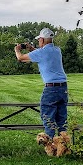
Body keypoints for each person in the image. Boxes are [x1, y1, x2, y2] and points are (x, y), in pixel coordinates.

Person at [15, 28, 70, 156]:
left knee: (48, 117)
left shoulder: (41, 52)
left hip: (51, 88)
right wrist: (31, 48)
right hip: (63, 88)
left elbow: (21, 59)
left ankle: (50, 148)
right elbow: (42, 54)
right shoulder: (57, 51)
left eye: (39, 39)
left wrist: (18, 50)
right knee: (62, 120)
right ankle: (65, 147)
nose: (39, 41)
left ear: (42, 40)